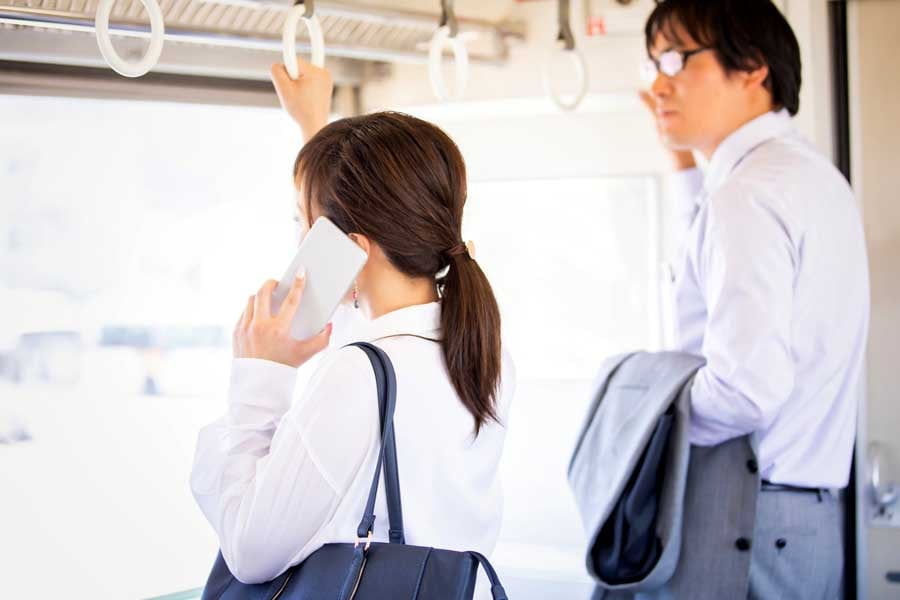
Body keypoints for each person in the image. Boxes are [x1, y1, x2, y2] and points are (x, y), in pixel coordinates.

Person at [190, 59, 515, 599]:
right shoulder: (474, 342)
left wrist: (259, 382)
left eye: (304, 223)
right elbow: (355, 296)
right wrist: (314, 126)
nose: (300, 242)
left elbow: (250, 552)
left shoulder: (359, 374)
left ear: (354, 247)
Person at [640, 0, 869, 596]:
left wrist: (643, 413)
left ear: (753, 68)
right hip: (801, 520)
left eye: (675, 58)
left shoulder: (747, 195)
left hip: (744, 517)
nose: (658, 83)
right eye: (653, 63)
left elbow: (744, 391)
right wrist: (683, 166)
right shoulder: (805, 175)